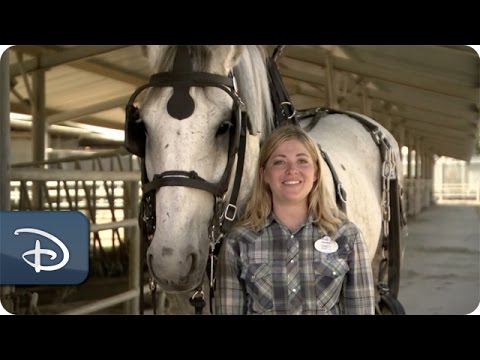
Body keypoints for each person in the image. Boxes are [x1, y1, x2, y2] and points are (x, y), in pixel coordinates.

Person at [214, 125, 375, 315]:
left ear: (316, 173)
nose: (292, 170)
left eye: (302, 161)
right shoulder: (239, 240)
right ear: (264, 174)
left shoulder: (347, 236)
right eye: (280, 162)